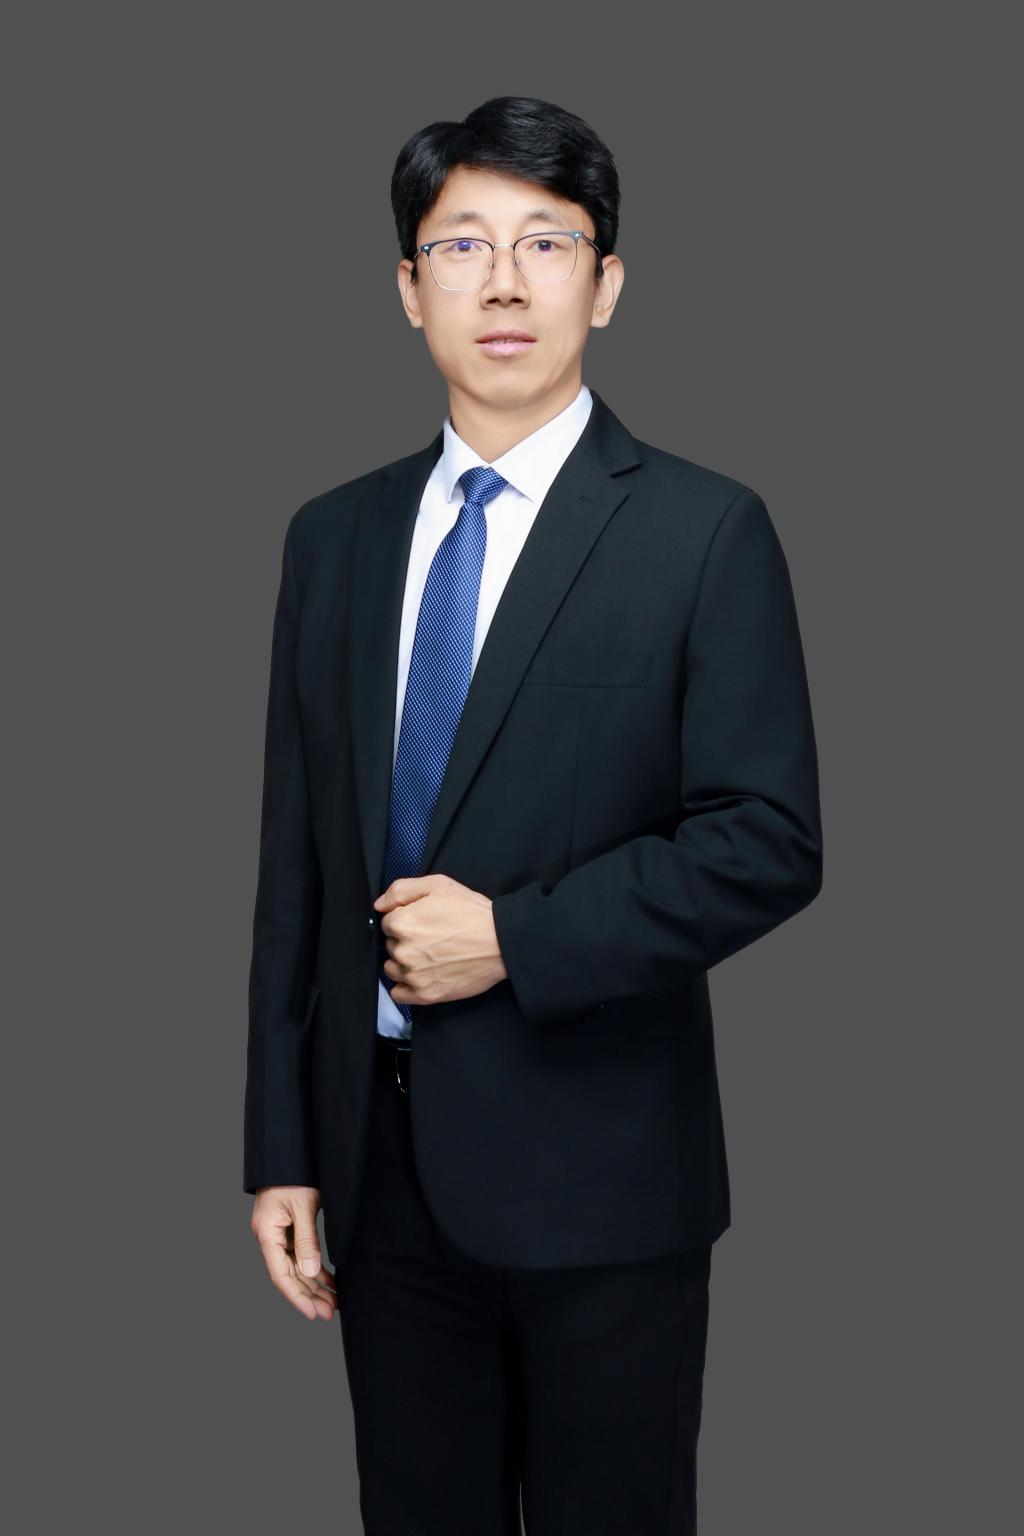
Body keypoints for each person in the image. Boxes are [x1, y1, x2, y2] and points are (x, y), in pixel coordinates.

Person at [244, 94, 823, 1535]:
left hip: (605, 1178)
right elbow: (294, 863)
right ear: (408, 288)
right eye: (462, 246)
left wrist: (515, 939)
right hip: (379, 1178)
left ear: (605, 284)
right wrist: (280, 1146)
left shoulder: (704, 531)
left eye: (545, 243)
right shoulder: (333, 538)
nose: (503, 283)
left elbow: (767, 838)